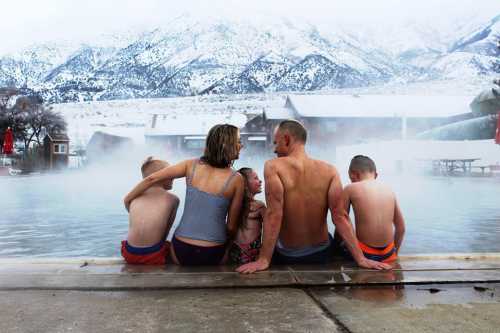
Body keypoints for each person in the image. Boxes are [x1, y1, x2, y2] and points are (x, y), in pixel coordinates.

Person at [238, 120, 354, 273]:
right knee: (332, 240)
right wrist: (361, 258)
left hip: (289, 255)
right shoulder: (330, 170)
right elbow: (340, 216)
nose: (274, 149)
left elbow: (274, 215)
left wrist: (263, 259)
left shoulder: (273, 166)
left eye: (275, 143)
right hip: (322, 253)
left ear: (286, 139)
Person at [124, 124, 244, 266]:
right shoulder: (237, 179)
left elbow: (151, 178)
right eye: (238, 141)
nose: (241, 146)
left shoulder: (190, 165)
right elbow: (231, 227)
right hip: (213, 252)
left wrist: (128, 199)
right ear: (226, 145)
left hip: (181, 251)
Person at [332, 155, 405, 267]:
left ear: (353, 174)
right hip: (389, 254)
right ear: (376, 175)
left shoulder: (350, 188)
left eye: (350, 178)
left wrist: (336, 244)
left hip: (366, 254)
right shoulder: (389, 189)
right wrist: (394, 253)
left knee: (337, 244)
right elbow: (401, 228)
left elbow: (341, 221)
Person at [121, 157, 180, 265]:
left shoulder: (134, 198)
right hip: (153, 255)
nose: (173, 178)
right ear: (159, 177)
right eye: (170, 174)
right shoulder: (173, 199)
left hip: (129, 253)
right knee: (173, 246)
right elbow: (165, 232)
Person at [229, 167, 266, 265]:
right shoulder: (259, 206)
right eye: (256, 178)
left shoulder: (233, 204)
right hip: (252, 252)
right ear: (245, 185)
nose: (260, 180)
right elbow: (269, 230)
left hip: (234, 251)